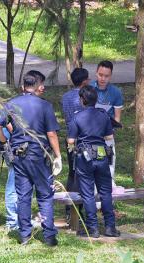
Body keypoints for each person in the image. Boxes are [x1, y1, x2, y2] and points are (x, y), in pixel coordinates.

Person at [0, 70, 62, 246]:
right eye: (43, 85)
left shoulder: (11, 104)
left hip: (19, 157)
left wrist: (5, 142)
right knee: (45, 196)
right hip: (39, 155)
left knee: (23, 196)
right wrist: (58, 156)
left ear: (24, 86)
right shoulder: (44, 105)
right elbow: (51, 134)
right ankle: (49, 236)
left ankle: (24, 235)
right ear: (39, 86)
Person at [67, 85, 120, 238]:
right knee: (105, 192)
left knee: (88, 194)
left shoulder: (77, 117)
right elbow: (109, 138)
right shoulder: (103, 116)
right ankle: (110, 227)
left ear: (82, 100)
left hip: (84, 158)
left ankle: (93, 229)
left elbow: (71, 140)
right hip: (102, 155)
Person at [61, 68, 90, 225]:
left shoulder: (65, 97)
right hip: (83, 140)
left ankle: (69, 210)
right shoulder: (84, 97)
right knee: (83, 174)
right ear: (84, 81)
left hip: (69, 139)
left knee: (72, 173)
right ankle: (78, 210)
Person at [91, 60, 123, 188]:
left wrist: (111, 131)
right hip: (92, 137)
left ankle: (109, 196)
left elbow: (117, 117)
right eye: (100, 74)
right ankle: (95, 198)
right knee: (95, 165)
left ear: (111, 75)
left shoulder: (115, 92)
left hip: (107, 137)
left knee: (109, 164)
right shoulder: (89, 89)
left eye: (106, 76)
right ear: (96, 73)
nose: (103, 78)